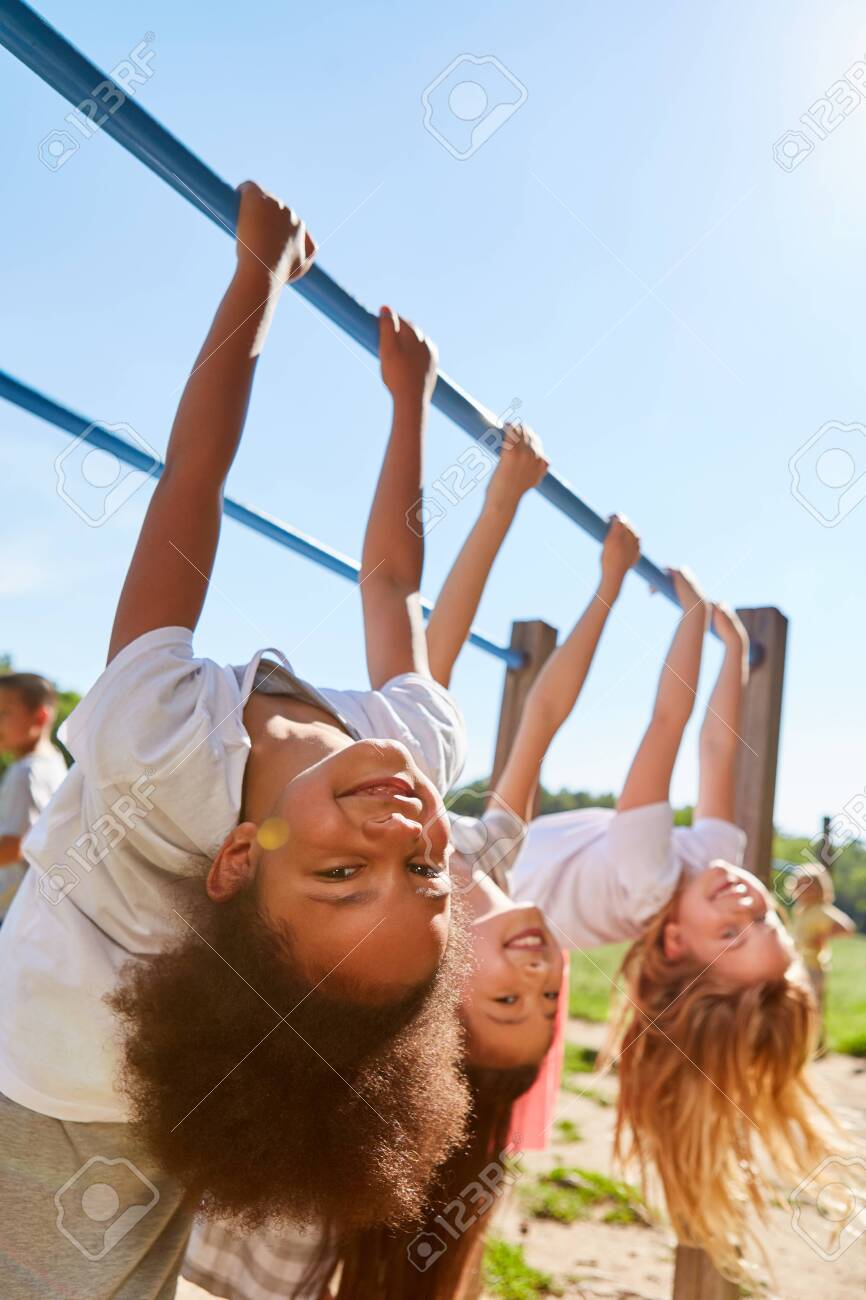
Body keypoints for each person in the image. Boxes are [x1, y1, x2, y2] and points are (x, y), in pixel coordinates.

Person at [0, 183, 471, 1300]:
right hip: (189, 1091)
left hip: (52, 1075)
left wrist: (253, 277)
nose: (398, 833)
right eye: (424, 871)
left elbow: (192, 488)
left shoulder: (155, 739)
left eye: (343, 872)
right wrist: (409, 401)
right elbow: (393, 580)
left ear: (238, 858)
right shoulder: (408, 740)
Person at [183, 444, 644, 1300]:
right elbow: (540, 709)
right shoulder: (493, 849)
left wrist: (499, 497)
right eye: (548, 1001)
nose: (544, 976)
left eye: (507, 999)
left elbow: (430, 645)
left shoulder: (378, 882)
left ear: (437, 994)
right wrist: (605, 585)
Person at [512, 581, 832, 1280]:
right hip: (519, 858)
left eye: (733, 933)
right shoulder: (709, 865)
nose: (748, 900)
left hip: (494, 881)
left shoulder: (649, 878)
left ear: (677, 944)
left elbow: (665, 725)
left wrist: (689, 617)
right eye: (763, 919)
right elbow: (718, 751)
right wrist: (736, 652)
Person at [0, 673, 67, 920]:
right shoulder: (54, 762)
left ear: (40, 716)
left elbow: (16, 845)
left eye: (4, 713)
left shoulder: (26, 772)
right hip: (36, 912)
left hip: (13, 913)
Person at [790, 861, 856, 1041]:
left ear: (820, 889)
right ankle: (803, 1040)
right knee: (799, 1006)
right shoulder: (801, 909)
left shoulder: (822, 910)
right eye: (801, 885)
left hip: (814, 968)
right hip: (800, 965)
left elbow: (847, 928)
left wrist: (823, 936)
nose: (805, 890)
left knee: (813, 1006)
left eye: (810, 886)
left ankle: (816, 1043)